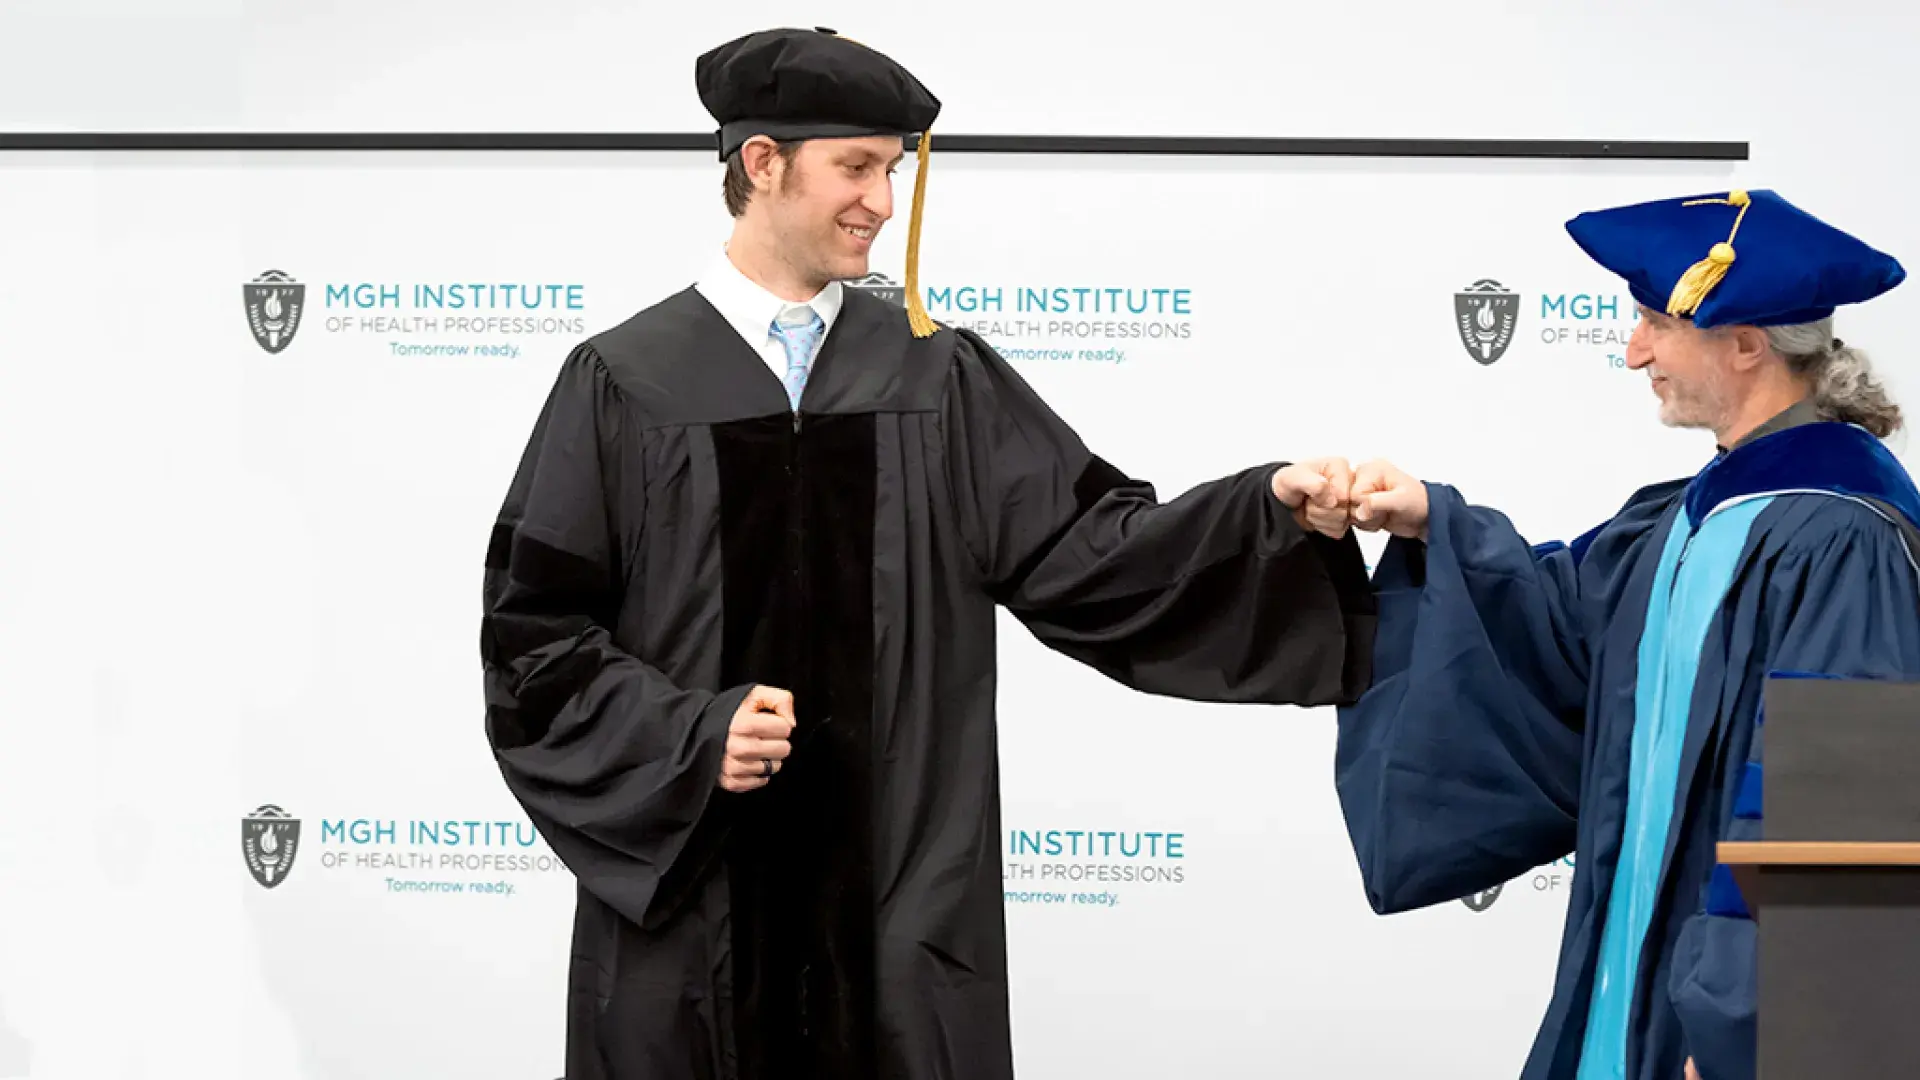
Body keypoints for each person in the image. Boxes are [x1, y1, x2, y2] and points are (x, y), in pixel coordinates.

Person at [477, 26, 1377, 1080]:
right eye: (855, 167)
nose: (882, 202)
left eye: (892, 171)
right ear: (762, 163)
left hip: (899, 916)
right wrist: (690, 737)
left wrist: (1263, 512)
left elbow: (1091, 553)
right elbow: (533, 644)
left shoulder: (935, 378)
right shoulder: (625, 383)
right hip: (697, 923)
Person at [1322, 187, 1920, 1080]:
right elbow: (1568, 616)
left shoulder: (1842, 537)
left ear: (1745, 343)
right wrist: (1431, 524)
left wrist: (1754, 1030)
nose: (1633, 350)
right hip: (1637, 969)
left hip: (1729, 1023)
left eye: (1654, 324)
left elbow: (1841, 805)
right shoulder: (1696, 512)